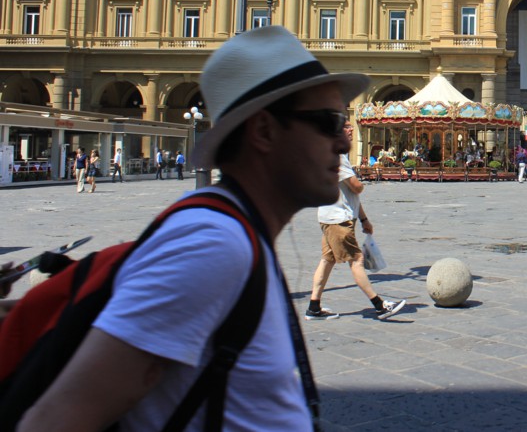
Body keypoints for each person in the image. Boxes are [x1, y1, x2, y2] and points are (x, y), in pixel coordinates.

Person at [16, 26, 370, 430]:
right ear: (264, 131)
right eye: (328, 123)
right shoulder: (211, 246)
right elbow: (56, 419)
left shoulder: (236, 233)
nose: (343, 144)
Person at [307, 119, 406, 321]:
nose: (350, 129)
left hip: (331, 217)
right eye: (345, 126)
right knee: (357, 260)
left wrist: (363, 219)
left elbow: (349, 194)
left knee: (327, 260)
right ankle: (379, 305)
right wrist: (361, 184)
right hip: (338, 219)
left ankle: (314, 307)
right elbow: (355, 187)